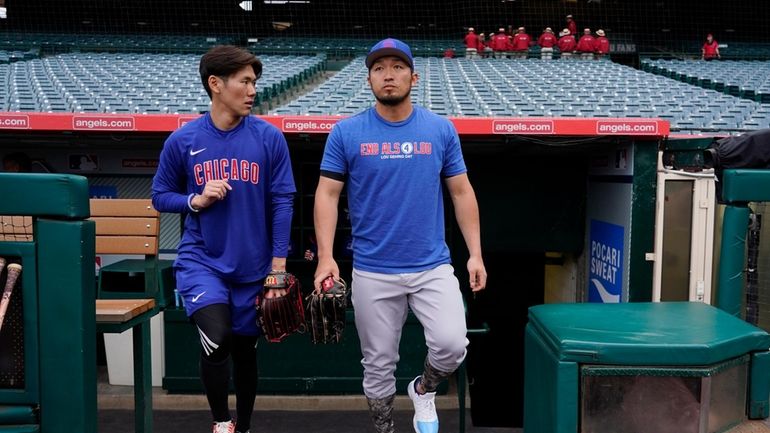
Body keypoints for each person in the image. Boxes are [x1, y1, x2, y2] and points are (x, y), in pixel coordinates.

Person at [313, 38, 487, 433]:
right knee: (377, 368)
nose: (387, 75)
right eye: (378, 68)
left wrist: (474, 254)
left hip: (431, 264)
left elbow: (461, 192)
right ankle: (386, 428)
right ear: (369, 78)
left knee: (452, 345)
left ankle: (423, 389)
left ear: (414, 76)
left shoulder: (440, 129)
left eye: (396, 66)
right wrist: (326, 255)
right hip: (373, 269)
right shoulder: (346, 132)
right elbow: (327, 194)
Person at [151, 45, 296, 433]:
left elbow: (283, 202)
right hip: (203, 261)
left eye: (254, 82)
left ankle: (243, 426)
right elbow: (159, 195)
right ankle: (221, 423)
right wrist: (194, 200)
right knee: (217, 340)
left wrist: (278, 267)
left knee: (245, 352)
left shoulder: (269, 138)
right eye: (245, 81)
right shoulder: (183, 140)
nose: (253, 91)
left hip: (254, 267)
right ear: (216, 84)